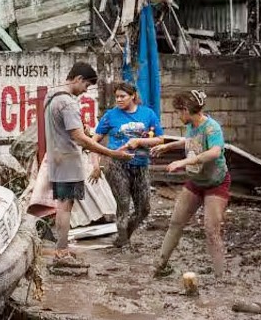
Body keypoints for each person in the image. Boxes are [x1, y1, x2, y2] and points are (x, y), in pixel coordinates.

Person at [45, 62, 134, 268]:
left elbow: (70, 131)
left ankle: (62, 250)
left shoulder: (51, 97)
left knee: (64, 205)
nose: (85, 91)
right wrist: (111, 153)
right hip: (68, 161)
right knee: (65, 207)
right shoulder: (68, 103)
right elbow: (80, 139)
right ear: (78, 79)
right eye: (86, 86)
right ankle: (62, 253)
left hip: (57, 160)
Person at [149, 90, 230, 278]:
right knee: (176, 222)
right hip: (196, 181)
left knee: (211, 229)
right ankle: (160, 265)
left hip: (216, 183)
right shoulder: (193, 126)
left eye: (178, 112)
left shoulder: (212, 128)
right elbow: (190, 141)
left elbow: (215, 152)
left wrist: (184, 162)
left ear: (186, 110)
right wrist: (168, 146)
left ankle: (220, 275)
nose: (178, 116)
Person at [90, 82, 162, 249]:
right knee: (123, 204)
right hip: (117, 166)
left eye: (122, 96)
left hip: (141, 166)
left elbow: (160, 139)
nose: (119, 100)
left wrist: (139, 141)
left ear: (133, 96)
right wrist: (95, 166)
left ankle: (123, 237)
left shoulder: (148, 114)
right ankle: (124, 244)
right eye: (117, 97)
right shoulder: (110, 115)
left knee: (144, 209)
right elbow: (93, 142)